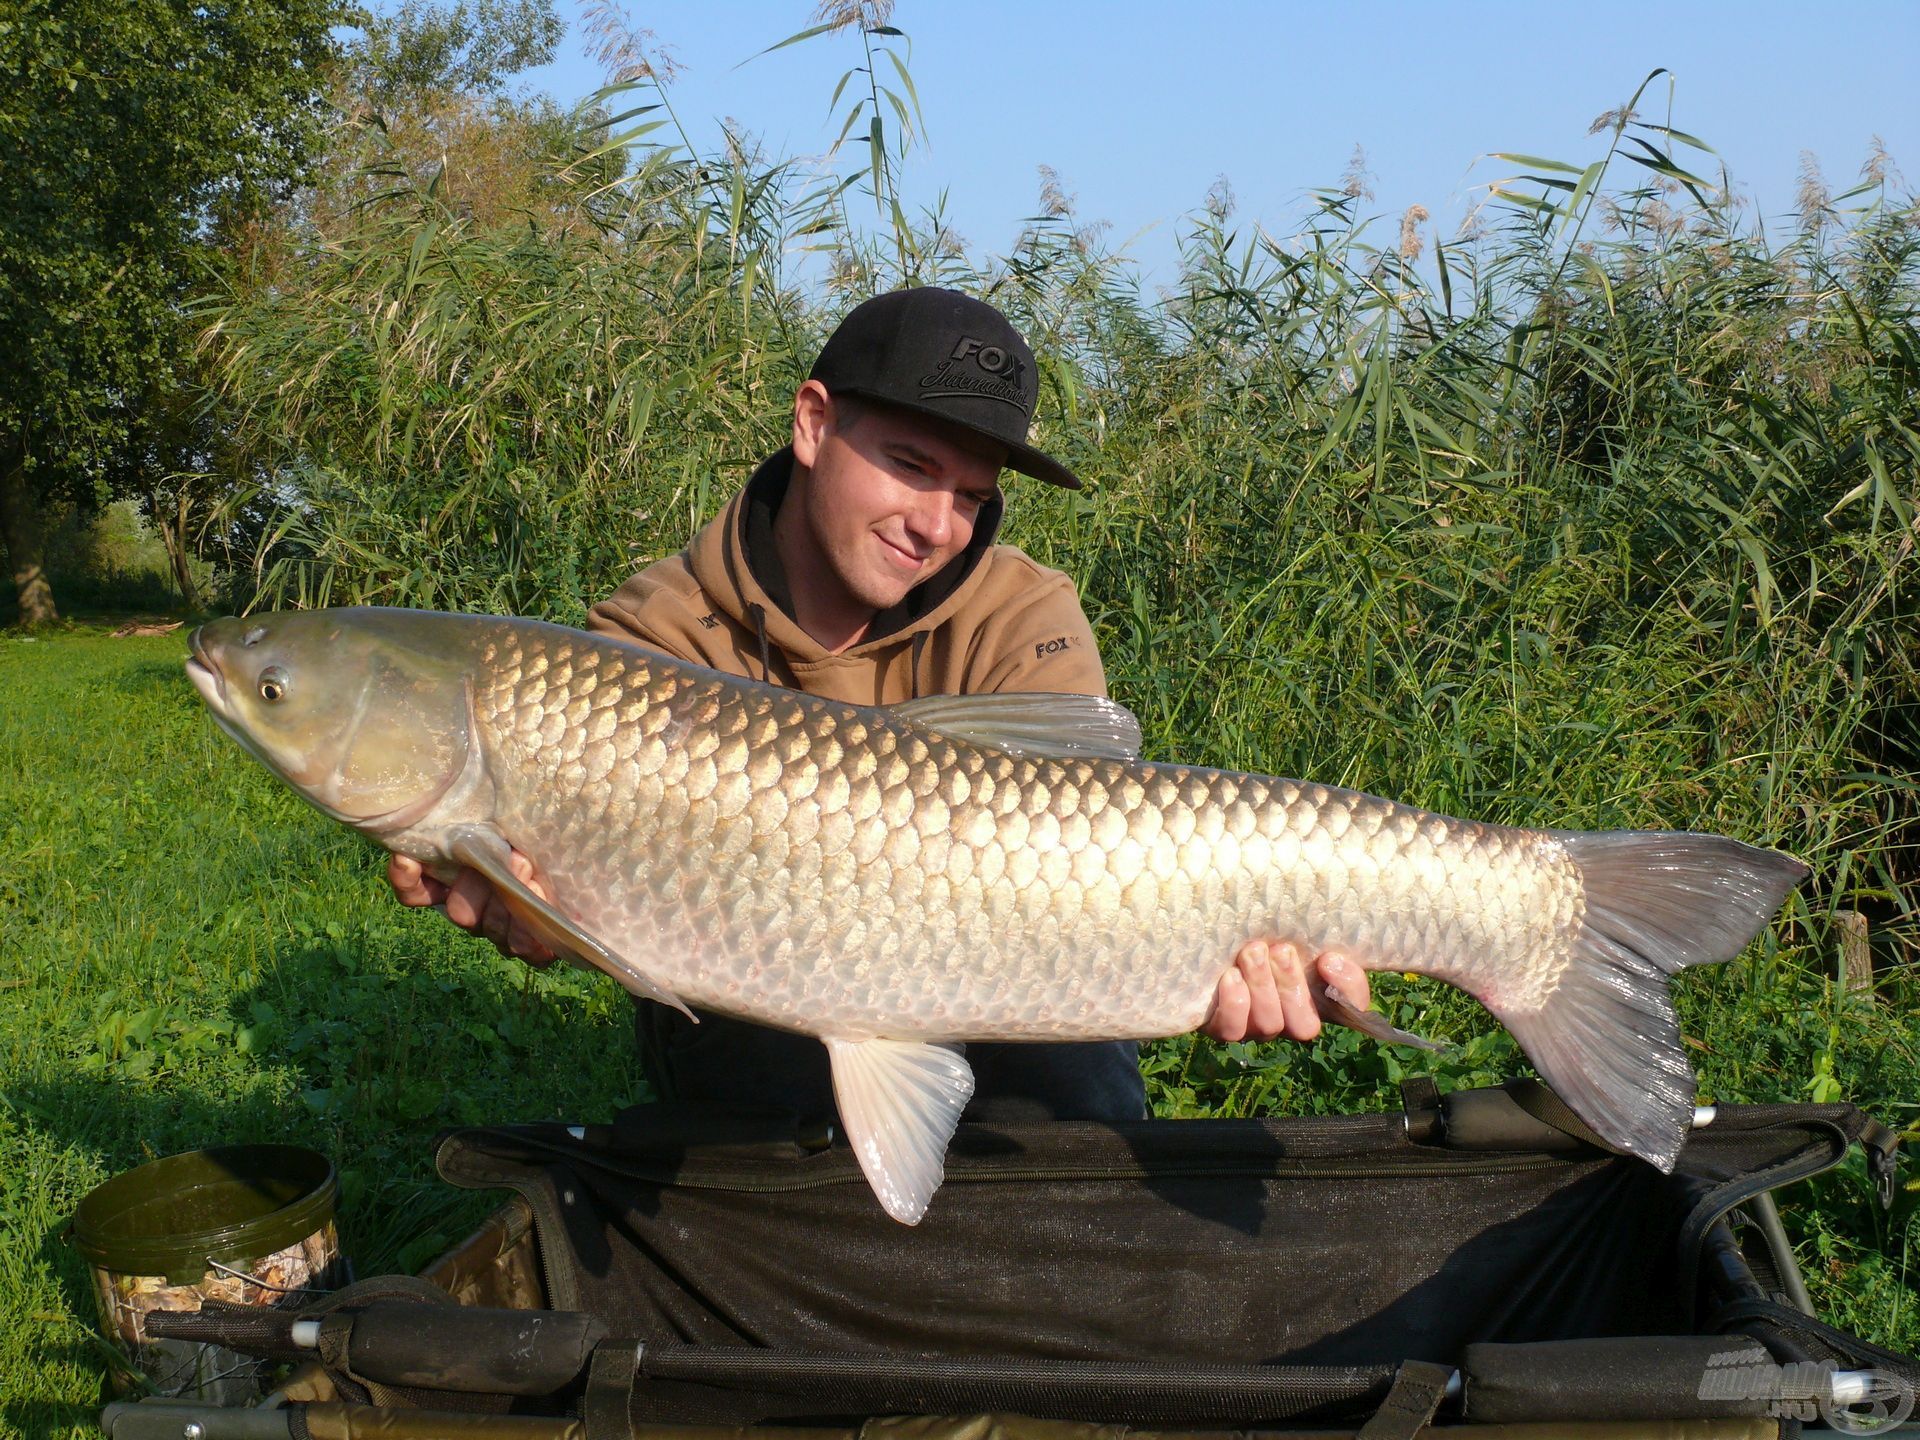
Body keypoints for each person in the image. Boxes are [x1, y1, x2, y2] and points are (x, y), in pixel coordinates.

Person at [389, 286, 1372, 1124]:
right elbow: (586, 897)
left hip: (1013, 967)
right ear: (813, 424)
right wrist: (534, 910)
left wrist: (1213, 950)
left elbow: (1082, 872)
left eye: (972, 495)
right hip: (760, 995)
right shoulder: (657, 631)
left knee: (1078, 1086)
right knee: (743, 1062)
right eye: (910, 465)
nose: (937, 525)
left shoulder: (1024, 611)